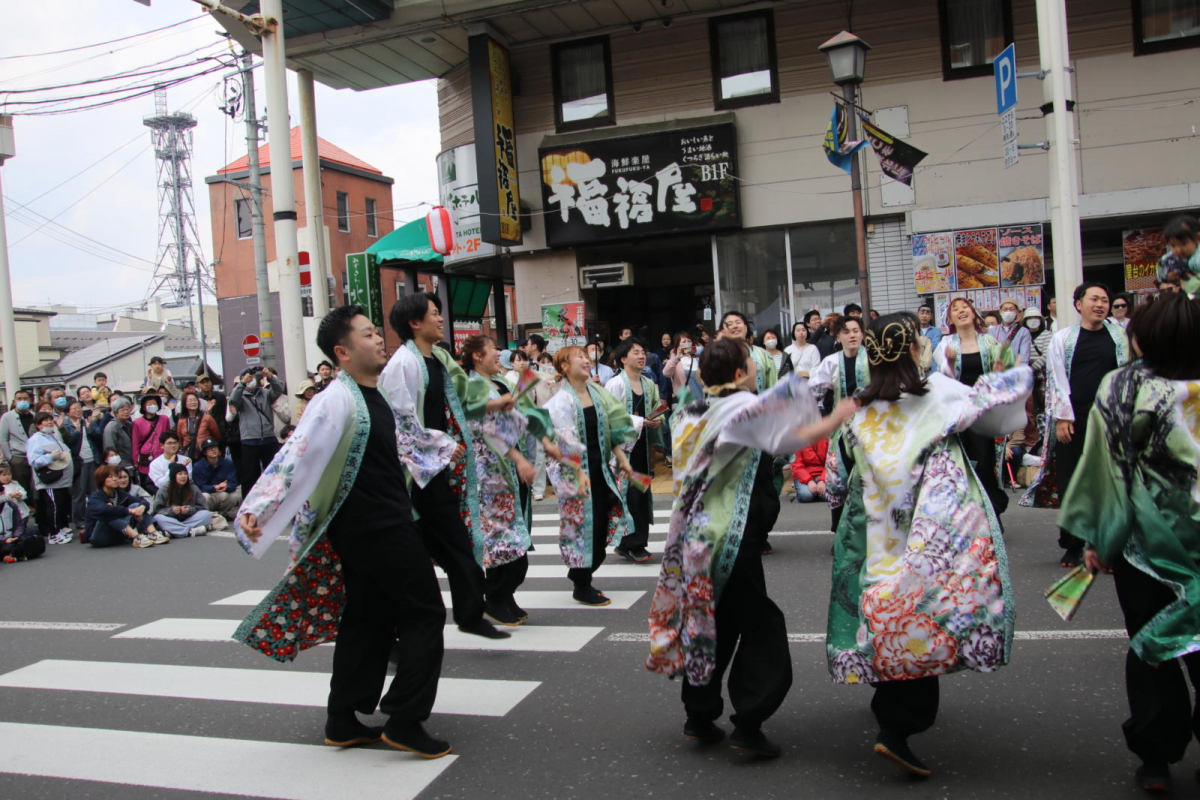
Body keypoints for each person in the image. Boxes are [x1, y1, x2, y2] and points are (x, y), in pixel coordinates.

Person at [235, 305, 453, 758]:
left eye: (377, 332)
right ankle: (406, 719)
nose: (379, 339)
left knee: (368, 619)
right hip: (377, 527)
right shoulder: (335, 399)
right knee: (425, 613)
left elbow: (411, 441)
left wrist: (452, 450)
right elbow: (295, 454)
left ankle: (343, 719)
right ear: (343, 351)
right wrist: (258, 506)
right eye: (369, 334)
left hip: (373, 527)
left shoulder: (375, 394)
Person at [827, 313, 1031, 777]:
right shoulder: (938, 393)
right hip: (932, 534)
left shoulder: (858, 408)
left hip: (879, 535)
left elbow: (837, 476)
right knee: (921, 618)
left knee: (883, 609)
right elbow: (1001, 411)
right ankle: (896, 730)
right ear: (916, 351)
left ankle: (888, 706)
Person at [646, 337, 854, 757]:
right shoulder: (741, 408)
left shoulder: (688, 412)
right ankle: (748, 724)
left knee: (711, 620)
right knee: (761, 626)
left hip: (691, 538)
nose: (758, 369)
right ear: (740, 373)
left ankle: (699, 715)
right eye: (752, 364)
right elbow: (791, 437)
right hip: (729, 538)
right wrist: (838, 417)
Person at [1058, 293, 1200, 793]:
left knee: (1150, 644)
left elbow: (1108, 470)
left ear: (1140, 338)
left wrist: (1099, 539)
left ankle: (1157, 756)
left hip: (1148, 546)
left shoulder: (1123, 386)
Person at [380, 292, 508, 640]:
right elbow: (401, 424)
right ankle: (396, 634)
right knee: (413, 562)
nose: (440, 319)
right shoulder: (402, 364)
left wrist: (497, 403)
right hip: (412, 478)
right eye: (434, 313)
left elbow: (465, 398)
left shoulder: (438, 357)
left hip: (438, 473)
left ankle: (469, 615)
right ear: (414, 323)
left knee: (459, 548)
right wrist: (443, 445)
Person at [1022, 282, 1131, 566]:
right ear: (1078, 304)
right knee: (1070, 482)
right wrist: (1062, 418)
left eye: (1105, 300)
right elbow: (1056, 380)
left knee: (1108, 483)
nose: (1100, 304)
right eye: (1094, 299)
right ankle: (1072, 544)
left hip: (1110, 421)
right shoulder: (1063, 338)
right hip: (1074, 420)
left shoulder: (1119, 336)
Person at [461, 335, 554, 626]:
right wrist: (519, 458)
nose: (498, 354)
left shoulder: (498, 382)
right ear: (477, 356)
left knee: (512, 537)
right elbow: (485, 426)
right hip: (489, 469)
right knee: (500, 539)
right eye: (492, 350)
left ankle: (504, 595)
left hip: (504, 467)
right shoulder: (474, 384)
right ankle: (495, 597)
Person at [545, 345, 637, 606]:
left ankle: (583, 573)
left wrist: (621, 459)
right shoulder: (561, 400)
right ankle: (581, 583)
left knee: (602, 522)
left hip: (598, 471)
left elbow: (608, 430)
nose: (587, 361)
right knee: (584, 528)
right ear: (564, 367)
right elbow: (565, 441)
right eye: (580, 357)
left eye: (587, 356)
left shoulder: (596, 393)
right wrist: (578, 472)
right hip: (574, 475)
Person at [933, 297, 1015, 519]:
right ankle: (967, 516)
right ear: (950, 319)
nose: (961, 311)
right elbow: (943, 381)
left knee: (985, 465)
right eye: (955, 309)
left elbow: (1004, 376)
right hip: (958, 415)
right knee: (960, 465)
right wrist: (949, 363)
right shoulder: (945, 345)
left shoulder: (990, 343)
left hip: (984, 414)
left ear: (973, 312)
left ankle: (992, 512)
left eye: (965, 307)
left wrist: (1000, 370)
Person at [809, 315, 870, 534]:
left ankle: (868, 532)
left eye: (856, 330)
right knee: (838, 480)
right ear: (838, 336)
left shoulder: (873, 357)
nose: (852, 335)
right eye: (846, 331)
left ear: (862, 333)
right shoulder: (832, 362)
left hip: (872, 429)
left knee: (869, 480)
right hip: (842, 431)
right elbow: (813, 390)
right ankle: (840, 531)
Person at [605, 338, 663, 564]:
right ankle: (633, 544)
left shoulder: (649, 383)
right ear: (622, 359)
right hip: (622, 451)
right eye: (635, 352)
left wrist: (658, 419)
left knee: (640, 494)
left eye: (643, 351)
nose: (642, 356)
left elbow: (658, 407)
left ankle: (628, 543)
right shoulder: (615, 384)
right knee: (629, 496)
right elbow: (610, 416)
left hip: (642, 448)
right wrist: (639, 421)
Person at [229, 367, 284, 494]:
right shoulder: (240, 395)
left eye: (253, 377)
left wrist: (270, 376)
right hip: (250, 439)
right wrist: (242, 383)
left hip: (268, 437)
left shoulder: (264, 393)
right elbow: (233, 400)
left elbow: (278, 390)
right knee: (250, 475)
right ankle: (248, 504)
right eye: (249, 377)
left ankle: (275, 497)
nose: (252, 380)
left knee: (273, 471)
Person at [85, 464, 163, 548]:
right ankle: (137, 537)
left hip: (119, 535)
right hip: (99, 537)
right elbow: (102, 509)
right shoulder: (95, 497)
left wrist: (142, 507)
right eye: (110, 477)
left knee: (136, 505)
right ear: (102, 480)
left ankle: (153, 534)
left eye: (116, 476)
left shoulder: (120, 493)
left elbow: (142, 501)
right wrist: (128, 511)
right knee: (109, 513)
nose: (115, 479)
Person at [26, 411, 74, 544]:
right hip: (50, 480)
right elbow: (34, 460)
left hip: (62, 479)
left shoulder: (52, 436)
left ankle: (59, 528)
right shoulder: (36, 439)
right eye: (45, 421)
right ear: (37, 425)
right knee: (53, 506)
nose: (49, 422)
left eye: (50, 420)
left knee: (61, 506)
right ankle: (53, 534)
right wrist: (51, 457)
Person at [60, 399, 95, 533]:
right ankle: (80, 520)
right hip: (77, 461)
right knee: (79, 493)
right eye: (74, 408)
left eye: (79, 408)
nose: (78, 410)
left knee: (93, 492)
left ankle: (93, 517)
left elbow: (96, 435)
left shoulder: (85, 422)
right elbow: (69, 441)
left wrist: (91, 426)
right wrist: (78, 430)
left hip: (92, 458)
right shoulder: (65, 425)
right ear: (68, 412)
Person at [150, 462, 211, 538]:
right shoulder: (164, 489)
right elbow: (157, 510)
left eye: (185, 474)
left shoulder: (193, 487)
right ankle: (189, 532)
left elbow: (203, 507)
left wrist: (189, 509)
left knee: (206, 514)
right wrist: (171, 510)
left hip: (189, 518)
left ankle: (174, 531)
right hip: (171, 518)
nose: (183, 476)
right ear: (173, 476)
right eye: (180, 474)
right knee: (158, 518)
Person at [193, 438, 241, 524]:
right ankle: (208, 514)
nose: (214, 449)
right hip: (209, 494)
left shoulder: (227, 463)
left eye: (215, 447)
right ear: (205, 452)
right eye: (210, 448)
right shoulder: (198, 466)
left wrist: (227, 486)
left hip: (223, 493)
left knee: (236, 495)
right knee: (204, 496)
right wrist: (214, 487)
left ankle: (222, 514)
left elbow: (233, 482)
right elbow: (199, 486)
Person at [0, 388, 36, 499]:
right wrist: (9, 457)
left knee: (35, 485)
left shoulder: (34, 415)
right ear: (14, 402)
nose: (22, 401)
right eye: (19, 399)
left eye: (25, 398)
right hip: (17, 456)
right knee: (21, 485)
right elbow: (3, 438)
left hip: (34, 456)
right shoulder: (7, 417)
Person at [131, 394, 171, 491]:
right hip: (145, 457)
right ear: (144, 406)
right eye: (149, 403)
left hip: (161, 456)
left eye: (154, 402)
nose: (152, 405)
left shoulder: (164, 419)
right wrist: (135, 460)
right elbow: (135, 442)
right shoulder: (137, 422)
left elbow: (168, 437)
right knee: (147, 485)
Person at [1157, 214, 1200, 289]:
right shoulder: (1167, 261)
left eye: (1184, 244)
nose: (1179, 249)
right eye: (1173, 245)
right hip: (1181, 298)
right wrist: (1167, 284)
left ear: (1197, 238)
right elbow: (1161, 283)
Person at [0, 490, 42, 563]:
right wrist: (4, 541)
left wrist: (16, 536)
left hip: (12, 538)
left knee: (35, 533)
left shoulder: (11, 505)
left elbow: (19, 523)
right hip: (2, 542)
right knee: (9, 547)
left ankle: (14, 554)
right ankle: (15, 554)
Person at [176, 389, 217, 462]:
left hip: (204, 453)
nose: (193, 402)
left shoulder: (207, 417)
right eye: (190, 400)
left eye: (195, 400)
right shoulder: (181, 421)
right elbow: (180, 439)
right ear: (185, 403)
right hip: (188, 454)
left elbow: (216, 435)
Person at [987, 298, 1032, 364]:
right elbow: (989, 354)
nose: (1008, 312)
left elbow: (1024, 357)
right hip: (997, 371)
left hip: (1016, 371)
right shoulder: (992, 331)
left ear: (1016, 311)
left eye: (1011, 309)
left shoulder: (1024, 332)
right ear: (1000, 311)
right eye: (1005, 309)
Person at [791, 438, 828, 502]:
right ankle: (815, 493)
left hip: (824, 474)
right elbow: (797, 465)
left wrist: (823, 480)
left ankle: (817, 493)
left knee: (827, 496)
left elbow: (831, 462)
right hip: (803, 476)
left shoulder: (827, 438)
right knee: (806, 496)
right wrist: (809, 481)